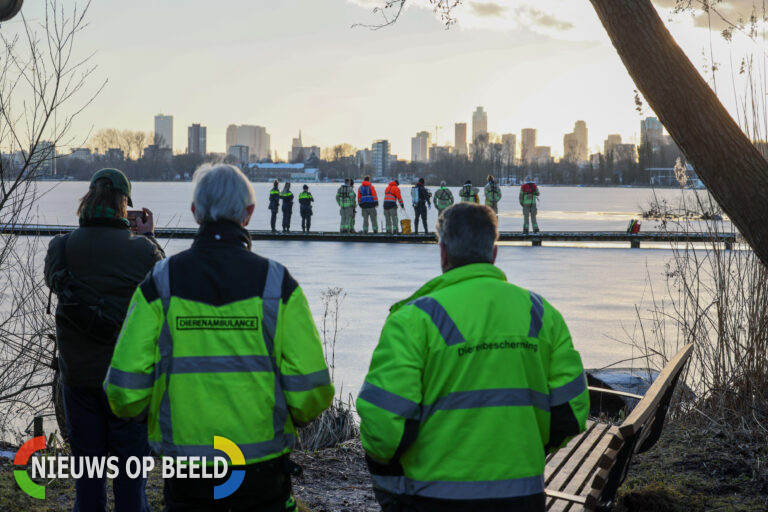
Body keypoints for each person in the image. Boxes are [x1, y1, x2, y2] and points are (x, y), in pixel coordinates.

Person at [104, 164, 334, 511]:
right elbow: (312, 389)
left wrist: (156, 415)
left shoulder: (160, 283)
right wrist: (286, 417)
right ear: (249, 214)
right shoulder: (277, 284)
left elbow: (124, 390)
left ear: (196, 213)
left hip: (187, 469)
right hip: (262, 466)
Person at [357, 203, 589, 512]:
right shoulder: (542, 314)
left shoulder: (413, 320)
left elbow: (383, 428)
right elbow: (572, 412)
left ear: (443, 254)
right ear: (493, 254)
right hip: (522, 495)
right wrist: (527, 449)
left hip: (434, 498)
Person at [44, 168, 164, 512]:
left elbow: (55, 282)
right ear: (124, 204)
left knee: (88, 481)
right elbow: (166, 286)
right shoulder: (142, 251)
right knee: (131, 483)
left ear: (88, 200)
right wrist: (150, 237)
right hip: (129, 381)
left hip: (79, 380)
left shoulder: (62, 248)